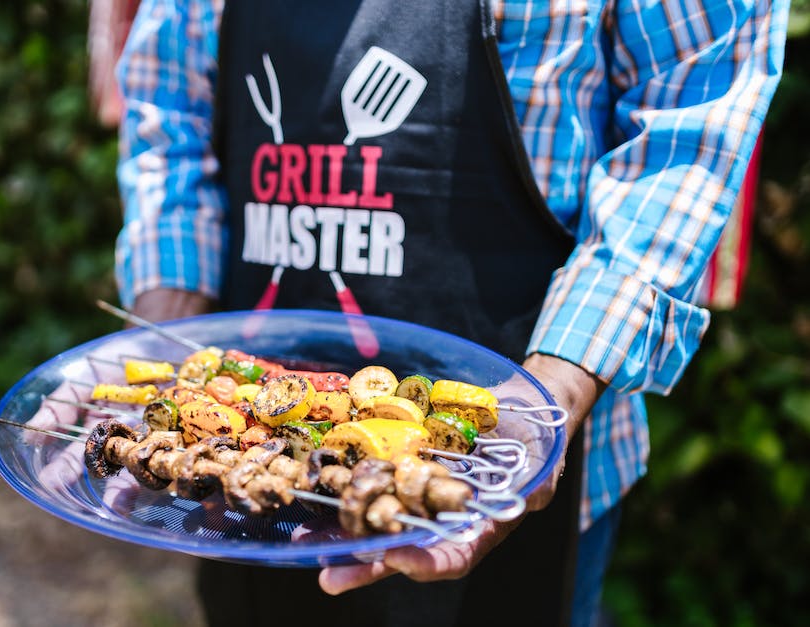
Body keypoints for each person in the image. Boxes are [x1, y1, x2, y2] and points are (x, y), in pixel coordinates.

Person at [110, 1, 788, 625]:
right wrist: (168, 345)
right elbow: (169, 112)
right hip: (246, 477)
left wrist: (554, 393)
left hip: (508, 460)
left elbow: (688, 123)